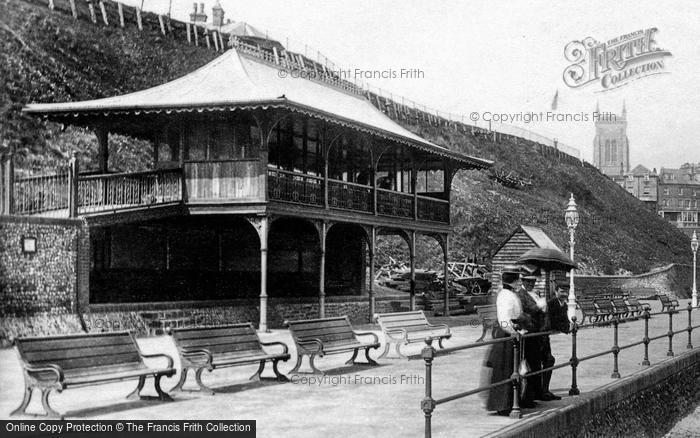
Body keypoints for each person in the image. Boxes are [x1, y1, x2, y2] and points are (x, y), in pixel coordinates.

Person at [483, 264, 532, 415]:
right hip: (506, 335)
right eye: (517, 280)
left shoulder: (510, 294)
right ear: (512, 280)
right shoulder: (505, 295)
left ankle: (511, 402)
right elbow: (504, 319)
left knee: (512, 368)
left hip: (510, 333)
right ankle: (503, 405)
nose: (519, 283)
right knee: (505, 369)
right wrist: (514, 331)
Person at [516, 264, 547, 407]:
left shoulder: (535, 294)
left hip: (538, 334)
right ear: (522, 281)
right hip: (529, 334)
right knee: (529, 365)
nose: (530, 284)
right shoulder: (520, 295)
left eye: (532, 281)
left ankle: (536, 393)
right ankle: (527, 398)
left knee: (537, 364)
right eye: (528, 281)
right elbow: (527, 310)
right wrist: (539, 306)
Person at [540, 282, 571, 400]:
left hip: (545, 336)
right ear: (556, 292)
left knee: (549, 360)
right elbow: (553, 321)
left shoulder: (564, 305)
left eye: (566, 292)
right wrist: (567, 328)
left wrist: (570, 325)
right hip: (541, 335)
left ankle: (544, 390)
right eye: (562, 291)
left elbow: (565, 320)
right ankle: (542, 391)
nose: (564, 294)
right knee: (547, 360)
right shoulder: (551, 304)